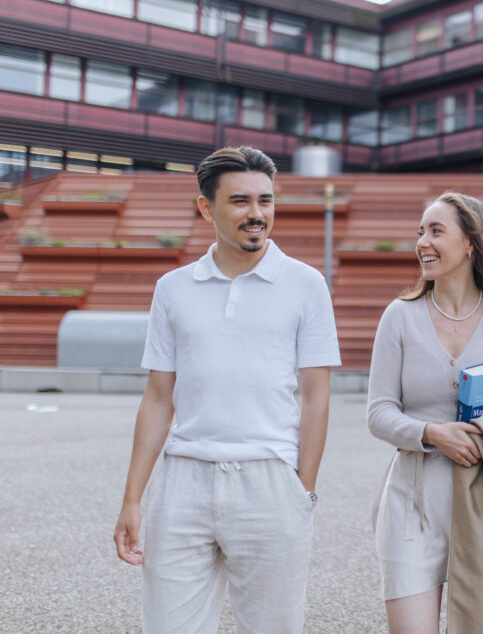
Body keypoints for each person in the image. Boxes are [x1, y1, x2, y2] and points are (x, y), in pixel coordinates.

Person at [112, 146, 341, 632]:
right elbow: (157, 398)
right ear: (205, 207)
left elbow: (317, 395)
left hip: (270, 481)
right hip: (182, 484)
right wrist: (133, 497)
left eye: (266, 200)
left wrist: (304, 490)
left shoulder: (306, 284)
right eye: (240, 201)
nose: (257, 214)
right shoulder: (173, 288)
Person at [367, 191, 483, 634]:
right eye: (420, 232)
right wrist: (432, 433)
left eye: (436, 231)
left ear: (471, 243)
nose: (423, 242)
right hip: (412, 500)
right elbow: (379, 412)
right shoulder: (399, 317)